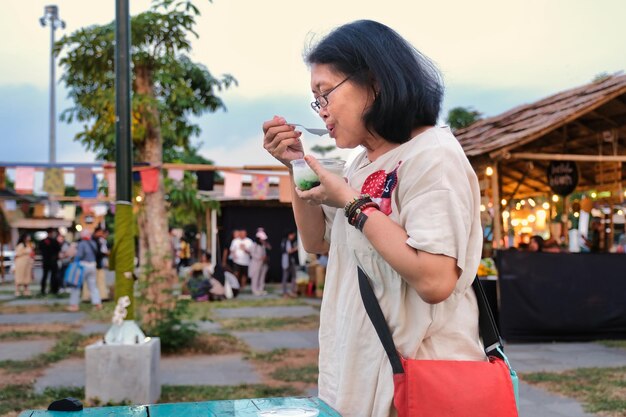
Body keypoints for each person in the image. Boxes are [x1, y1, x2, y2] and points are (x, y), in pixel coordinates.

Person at [262, 20, 484, 416]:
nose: (322, 110)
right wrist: (296, 165)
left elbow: (435, 279)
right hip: (362, 374)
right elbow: (319, 241)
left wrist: (350, 199)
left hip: (416, 384)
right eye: (316, 100)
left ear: (375, 82)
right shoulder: (361, 163)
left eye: (325, 93)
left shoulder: (433, 155)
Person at [67, 230, 102, 312]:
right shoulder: (93, 243)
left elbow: (79, 255)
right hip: (93, 266)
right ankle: (97, 304)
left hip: (82, 266)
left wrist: (74, 262)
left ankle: (74, 305)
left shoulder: (82, 244)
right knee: (93, 286)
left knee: (76, 286)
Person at [39, 228, 61, 295]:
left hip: (45, 261)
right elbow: (58, 250)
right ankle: (53, 290)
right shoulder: (55, 241)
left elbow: (40, 250)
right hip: (53, 261)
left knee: (45, 276)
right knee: (53, 276)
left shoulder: (42, 242)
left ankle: (43, 290)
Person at [248, 228, 270, 296]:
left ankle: (261, 289)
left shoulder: (263, 245)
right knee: (255, 276)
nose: (262, 239)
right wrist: (260, 258)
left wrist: (264, 258)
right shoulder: (254, 244)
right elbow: (252, 253)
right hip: (256, 263)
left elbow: (269, 248)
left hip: (263, 264)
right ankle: (255, 290)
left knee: (261, 276)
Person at [280, 230, 299, 298]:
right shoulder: (286, 241)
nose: (293, 237)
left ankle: (292, 291)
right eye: (292, 235)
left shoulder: (288, 241)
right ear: (289, 235)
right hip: (287, 261)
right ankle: (285, 292)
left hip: (290, 261)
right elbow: (288, 251)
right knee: (286, 277)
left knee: (293, 276)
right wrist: (296, 248)